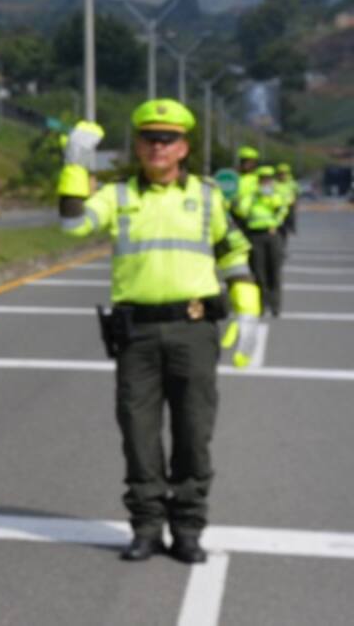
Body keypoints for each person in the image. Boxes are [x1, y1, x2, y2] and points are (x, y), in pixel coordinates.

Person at [57, 99, 260, 565]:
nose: (157, 146)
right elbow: (72, 224)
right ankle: (146, 527)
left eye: (167, 139)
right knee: (138, 434)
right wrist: (74, 165)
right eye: (149, 138)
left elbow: (233, 252)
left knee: (193, 433)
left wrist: (247, 309)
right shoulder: (119, 195)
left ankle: (187, 528)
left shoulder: (208, 196)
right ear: (138, 144)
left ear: (184, 146)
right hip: (137, 336)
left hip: (194, 331)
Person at [233, 164, 288, 317]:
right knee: (258, 271)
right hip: (255, 236)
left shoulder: (276, 195)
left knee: (274, 272)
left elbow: (283, 209)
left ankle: (275, 306)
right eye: (263, 179)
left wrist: (275, 223)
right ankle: (261, 305)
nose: (266, 183)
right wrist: (252, 197)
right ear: (258, 181)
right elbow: (241, 211)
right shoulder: (251, 196)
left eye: (268, 179)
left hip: (272, 235)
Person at [275, 162, 299, 252]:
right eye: (280, 173)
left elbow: (296, 195)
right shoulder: (274, 183)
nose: (282, 175)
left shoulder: (292, 183)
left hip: (289, 208)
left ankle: (282, 247)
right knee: (277, 229)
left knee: (285, 230)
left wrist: (294, 204)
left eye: (284, 173)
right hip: (277, 208)